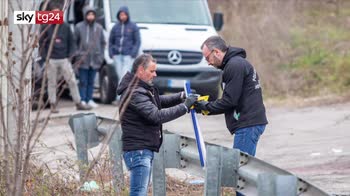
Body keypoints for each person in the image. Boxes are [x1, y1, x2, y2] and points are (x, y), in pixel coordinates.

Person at [116, 54, 197, 196]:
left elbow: (158, 101)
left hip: (142, 149)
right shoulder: (134, 93)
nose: (155, 74)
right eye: (152, 71)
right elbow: (156, 115)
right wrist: (184, 107)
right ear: (141, 70)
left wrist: (181, 96)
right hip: (138, 151)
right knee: (138, 193)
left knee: (140, 191)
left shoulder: (139, 88)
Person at [195, 36, 268, 158]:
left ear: (217, 52)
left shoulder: (235, 66)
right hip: (249, 122)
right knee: (242, 166)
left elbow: (229, 101)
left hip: (248, 123)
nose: (208, 62)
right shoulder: (234, 64)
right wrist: (203, 106)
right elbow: (231, 98)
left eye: (207, 57)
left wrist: (206, 107)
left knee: (239, 166)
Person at [39, 3, 90, 113]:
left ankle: (78, 102)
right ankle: (52, 104)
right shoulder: (46, 26)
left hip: (64, 59)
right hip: (51, 59)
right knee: (52, 82)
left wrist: (70, 55)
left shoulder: (66, 27)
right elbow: (41, 43)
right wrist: (45, 57)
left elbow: (72, 42)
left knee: (71, 81)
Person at [75, 6, 106, 108]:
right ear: (85, 15)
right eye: (89, 14)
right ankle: (82, 99)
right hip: (83, 59)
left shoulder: (99, 28)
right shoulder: (79, 27)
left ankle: (89, 99)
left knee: (91, 81)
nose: (90, 17)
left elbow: (103, 43)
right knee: (83, 81)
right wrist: (78, 54)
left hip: (95, 59)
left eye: (92, 14)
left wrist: (100, 57)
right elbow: (75, 42)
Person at [109, 6, 141, 103]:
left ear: (127, 15)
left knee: (124, 76)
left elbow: (137, 41)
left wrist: (133, 53)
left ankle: (121, 98)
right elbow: (110, 41)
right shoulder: (115, 27)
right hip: (117, 56)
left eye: (124, 14)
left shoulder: (133, 27)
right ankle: (121, 97)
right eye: (121, 15)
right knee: (120, 76)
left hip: (128, 56)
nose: (122, 16)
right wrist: (111, 52)